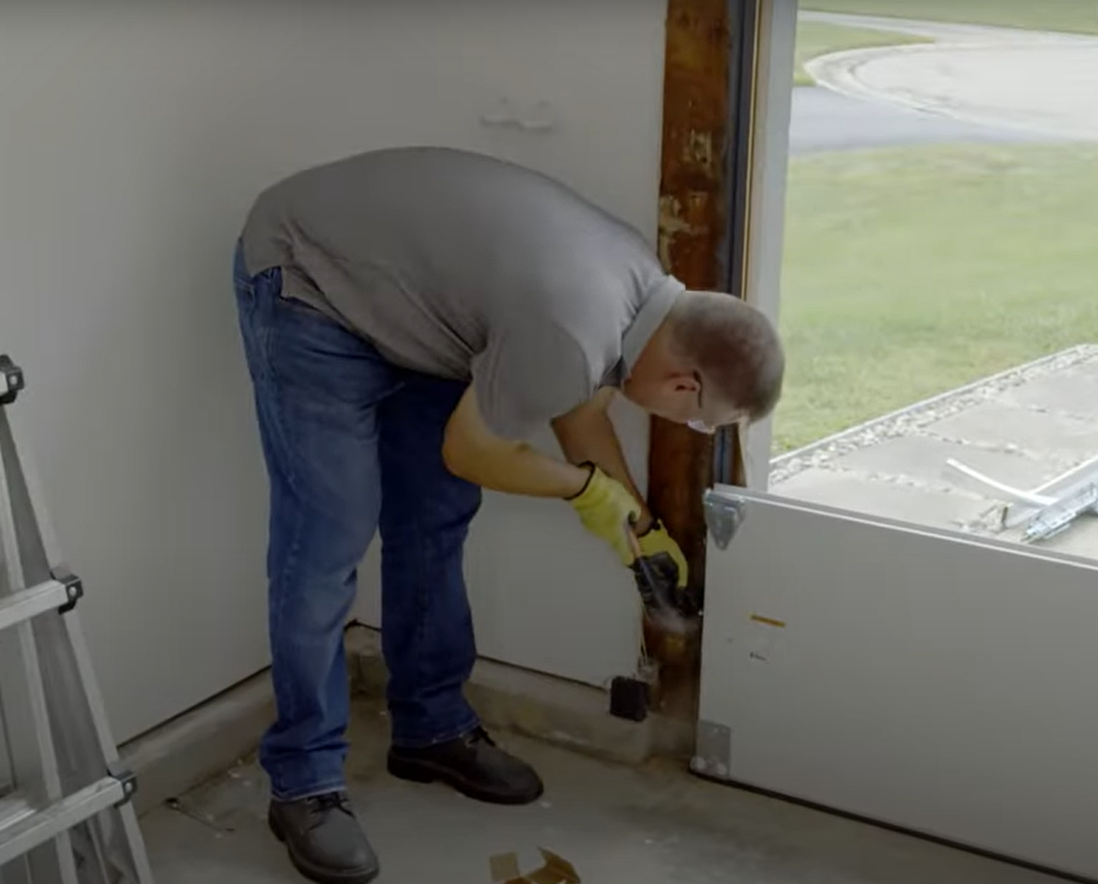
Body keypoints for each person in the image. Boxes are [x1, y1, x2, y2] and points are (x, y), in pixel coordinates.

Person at [230, 146, 783, 884]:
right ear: (684, 382)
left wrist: (638, 534)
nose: (694, 430)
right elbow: (473, 451)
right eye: (702, 421)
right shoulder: (574, 326)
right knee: (328, 535)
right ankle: (304, 784)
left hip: (408, 307)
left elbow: (579, 416)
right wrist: (585, 494)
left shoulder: (638, 299)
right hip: (309, 282)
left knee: (435, 514)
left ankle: (429, 730)